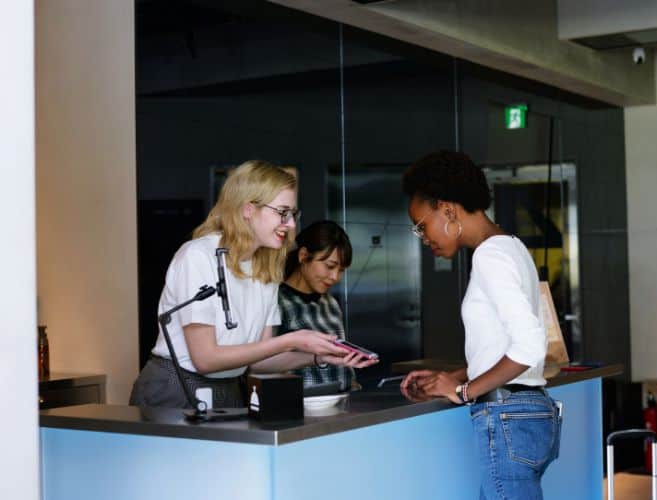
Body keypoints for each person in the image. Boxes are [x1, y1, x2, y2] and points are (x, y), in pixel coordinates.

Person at [399, 151, 562, 500]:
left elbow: (530, 346)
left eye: (421, 225)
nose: (423, 236)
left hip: (508, 417)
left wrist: (462, 393)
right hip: (527, 414)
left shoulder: (490, 256)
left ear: (447, 209)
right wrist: (457, 377)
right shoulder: (512, 247)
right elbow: (509, 346)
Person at [130, 160, 351, 409]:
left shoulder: (266, 268)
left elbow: (258, 361)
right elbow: (205, 359)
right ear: (248, 209)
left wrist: (317, 356)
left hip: (229, 390)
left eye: (292, 214)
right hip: (175, 389)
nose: (290, 224)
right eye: (282, 212)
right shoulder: (197, 256)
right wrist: (291, 340)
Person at [255, 220, 377, 388]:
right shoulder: (276, 301)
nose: (335, 277)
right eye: (330, 266)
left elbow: (341, 364)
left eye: (341, 270)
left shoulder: (330, 304)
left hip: (342, 403)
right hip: (302, 407)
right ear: (303, 256)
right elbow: (258, 363)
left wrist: (352, 381)